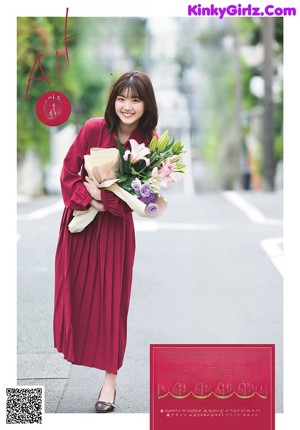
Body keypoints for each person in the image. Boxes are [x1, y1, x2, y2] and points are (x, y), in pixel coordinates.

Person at [53, 71, 158, 413]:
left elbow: (145, 198)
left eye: (136, 100)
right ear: (114, 100)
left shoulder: (150, 144)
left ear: (146, 105)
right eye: (122, 98)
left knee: (112, 303)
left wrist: (106, 197)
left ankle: (109, 383)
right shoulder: (93, 129)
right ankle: (76, 348)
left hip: (115, 233)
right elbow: (69, 174)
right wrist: (94, 197)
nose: (127, 106)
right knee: (78, 296)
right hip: (80, 227)